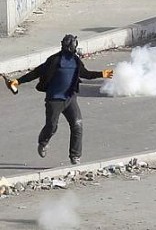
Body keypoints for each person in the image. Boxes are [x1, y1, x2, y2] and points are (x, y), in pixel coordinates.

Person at [7, 34, 113, 165]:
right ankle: (43, 142)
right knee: (52, 126)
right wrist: (18, 81)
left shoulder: (76, 61)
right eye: (74, 45)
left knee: (77, 125)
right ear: (71, 47)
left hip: (70, 99)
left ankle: (75, 156)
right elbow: (36, 72)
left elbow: (86, 74)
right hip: (54, 100)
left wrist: (101, 74)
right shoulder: (54, 60)